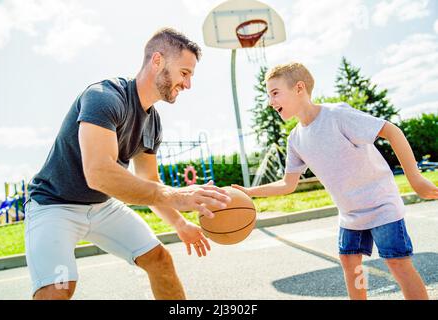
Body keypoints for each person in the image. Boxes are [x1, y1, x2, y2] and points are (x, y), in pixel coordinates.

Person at [25, 28, 231, 300]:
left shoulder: (153, 122)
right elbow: (98, 174)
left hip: (102, 206)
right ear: (157, 60)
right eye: (185, 73)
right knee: (59, 288)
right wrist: (178, 196)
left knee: (160, 260)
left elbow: (150, 183)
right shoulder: (104, 96)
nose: (188, 84)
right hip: (54, 204)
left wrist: (180, 224)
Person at [233, 62, 438, 300]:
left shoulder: (336, 115)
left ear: (299, 88)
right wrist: (250, 191)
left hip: (381, 204)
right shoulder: (296, 139)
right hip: (350, 213)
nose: (270, 101)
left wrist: (415, 177)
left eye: (275, 93)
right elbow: (288, 184)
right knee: (350, 263)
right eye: (269, 95)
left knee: (397, 263)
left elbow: (391, 131)